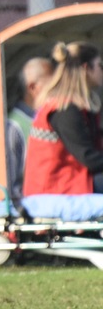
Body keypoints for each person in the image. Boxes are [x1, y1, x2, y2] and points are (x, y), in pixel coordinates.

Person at [23, 41, 103, 196]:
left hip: (69, 181)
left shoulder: (78, 107)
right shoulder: (65, 109)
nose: (102, 71)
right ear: (86, 69)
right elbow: (87, 156)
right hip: (54, 188)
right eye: (100, 66)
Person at [5, 55, 54, 200]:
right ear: (33, 88)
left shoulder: (49, 118)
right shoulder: (14, 125)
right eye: (52, 85)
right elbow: (11, 180)